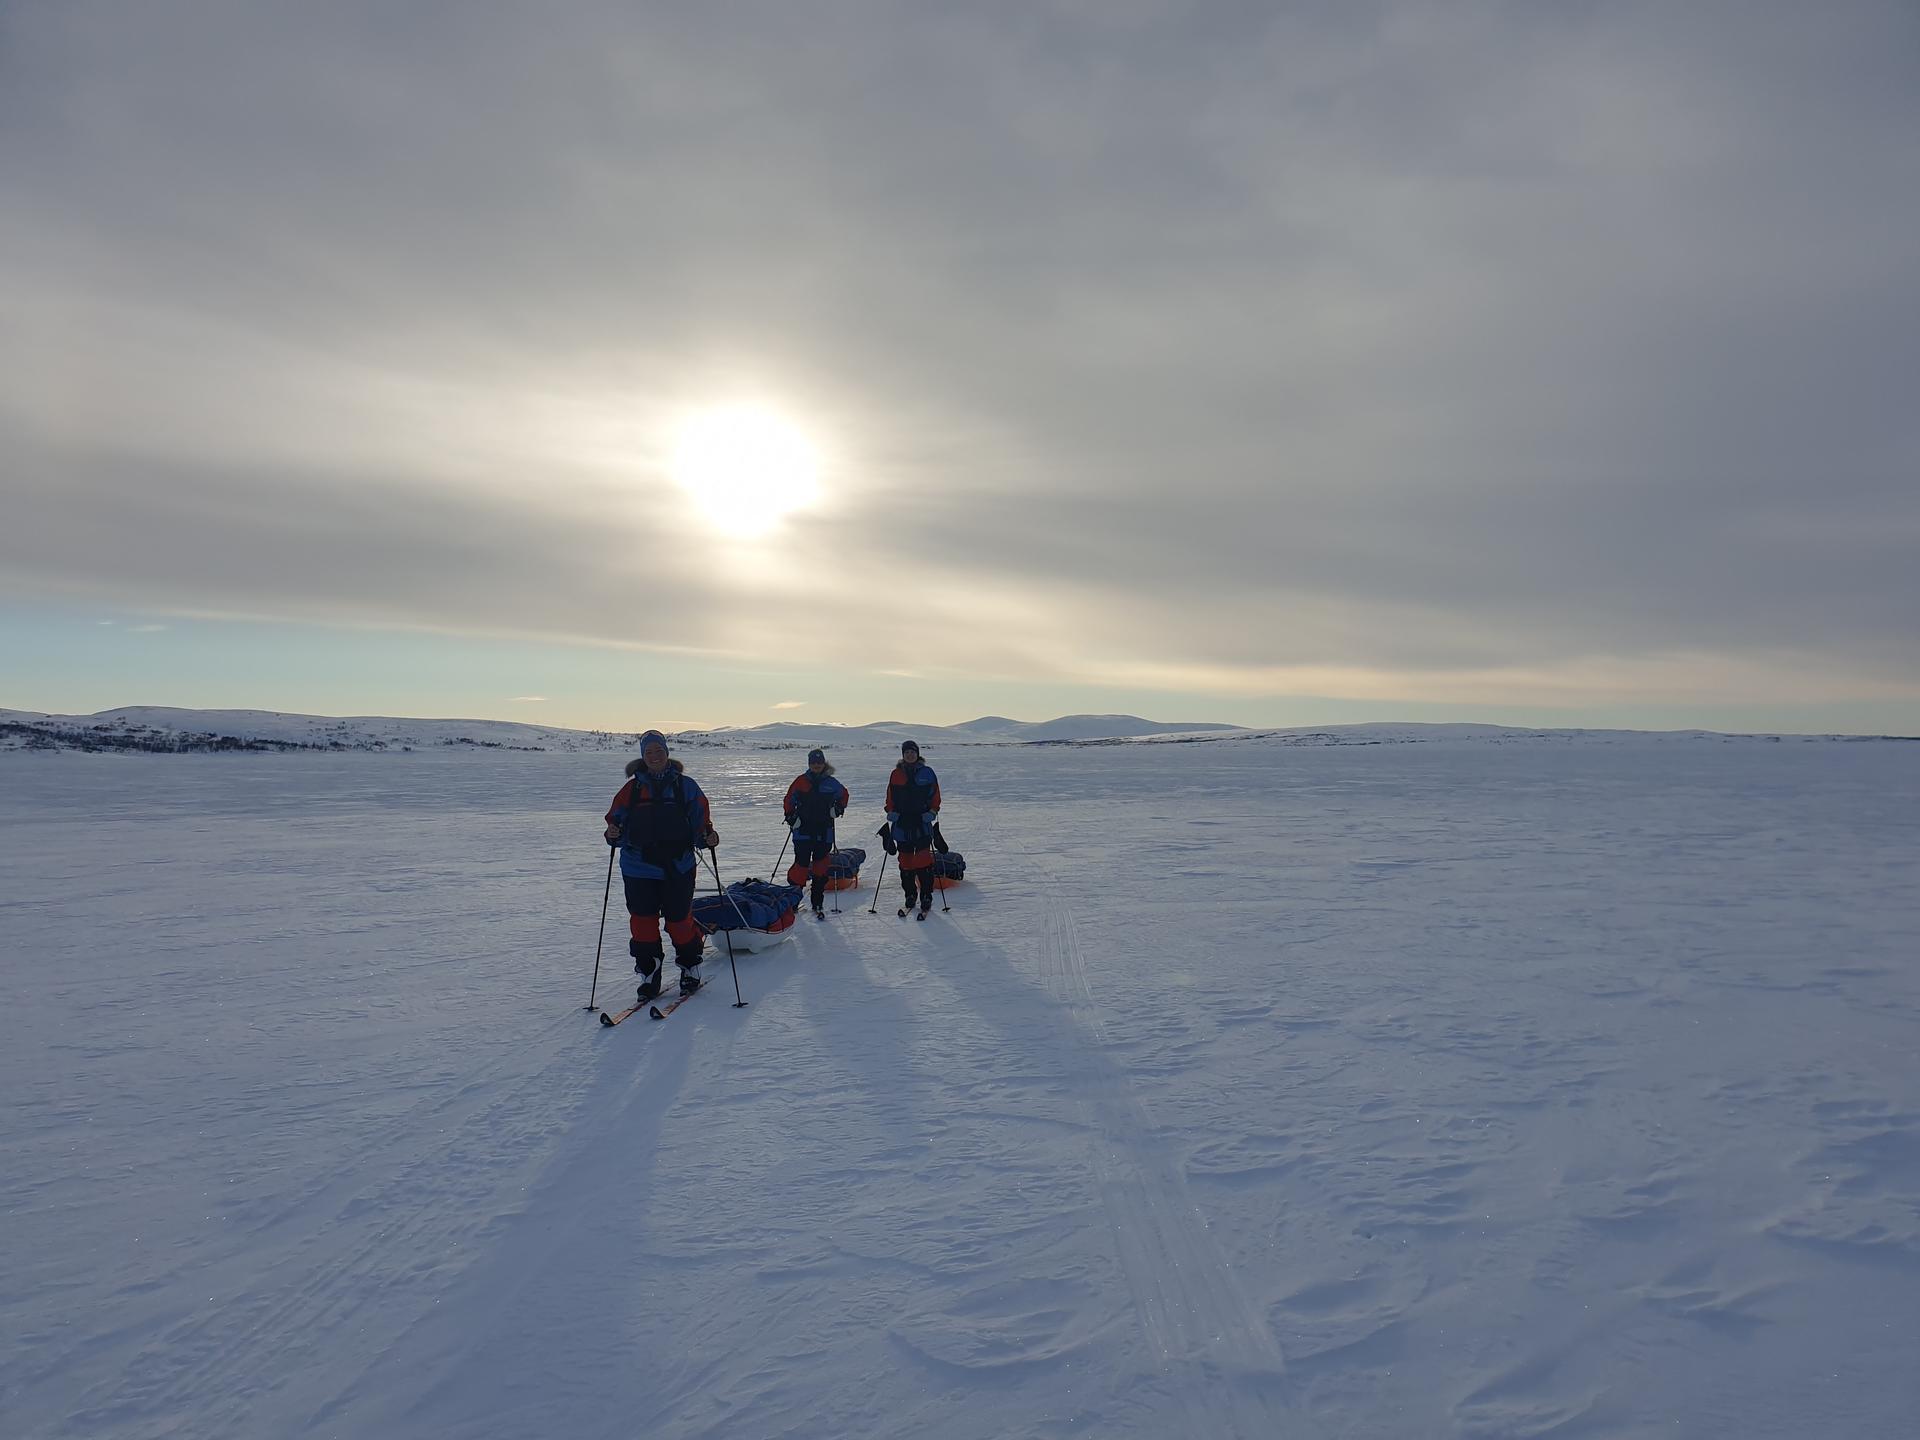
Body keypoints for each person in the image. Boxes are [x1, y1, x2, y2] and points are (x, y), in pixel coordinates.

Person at [603, 730, 720, 1000]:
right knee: (642, 923)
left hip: (677, 865)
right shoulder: (630, 790)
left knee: (679, 921)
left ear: (667, 753)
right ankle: (649, 974)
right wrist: (612, 834)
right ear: (643, 757)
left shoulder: (685, 786)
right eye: (648, 752)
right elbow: (614, 822)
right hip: (637, 866)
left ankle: (690, 968)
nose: (654, 756)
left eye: (658, 751)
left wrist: (708, 837)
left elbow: (701, 822)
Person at [783, 748, 851, 918]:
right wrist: (790, 817)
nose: (816, 765)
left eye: (819, 762)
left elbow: (844, 795)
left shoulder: (831, 782)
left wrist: (838, 808)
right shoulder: (800, 782)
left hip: (824, 831)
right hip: (803, 831)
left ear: (823, 763)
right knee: (801, 865)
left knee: (821, 866)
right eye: (813, 762)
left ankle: (817, 901)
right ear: (809, 764)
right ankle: (793, 901)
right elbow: (788, 800)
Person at [883, 739, 942, 918]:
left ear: (917, 754)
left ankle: (926, 896)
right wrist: (890, 811)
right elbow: (890, 796)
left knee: (923, 861)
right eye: (907, 752)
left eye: (913, 752)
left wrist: (932, 812)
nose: (910, 755)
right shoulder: (895, 774)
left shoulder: (927, 773)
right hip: (902, 823)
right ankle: (910, 894)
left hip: (921, 823)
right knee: (906, 862)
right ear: (903, 755)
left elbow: (935, 796)